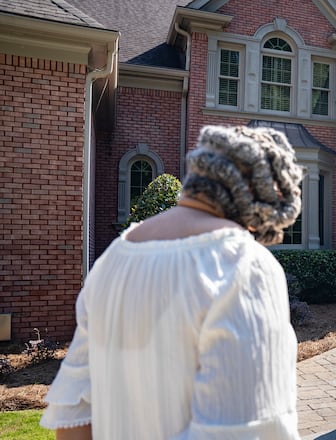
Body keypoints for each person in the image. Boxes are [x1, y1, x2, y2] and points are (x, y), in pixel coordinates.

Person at [40, 125, 304, 439]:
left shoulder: (114, 256)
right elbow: (246, 430)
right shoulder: (243, 264)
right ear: (266, 189)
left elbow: (74, 410)